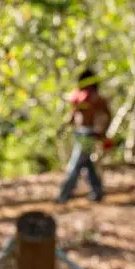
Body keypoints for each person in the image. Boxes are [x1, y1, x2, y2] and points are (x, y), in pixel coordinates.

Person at [56, 68, 110, 204]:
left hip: (88, 134)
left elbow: (106, 115)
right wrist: (64, 127)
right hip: (82, 133)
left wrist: (101, 131)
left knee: (75, 164)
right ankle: (97, 191)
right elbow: (74, 114)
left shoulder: (95, 98)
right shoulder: (82, 96)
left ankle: (64, 194)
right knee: (87, 164)